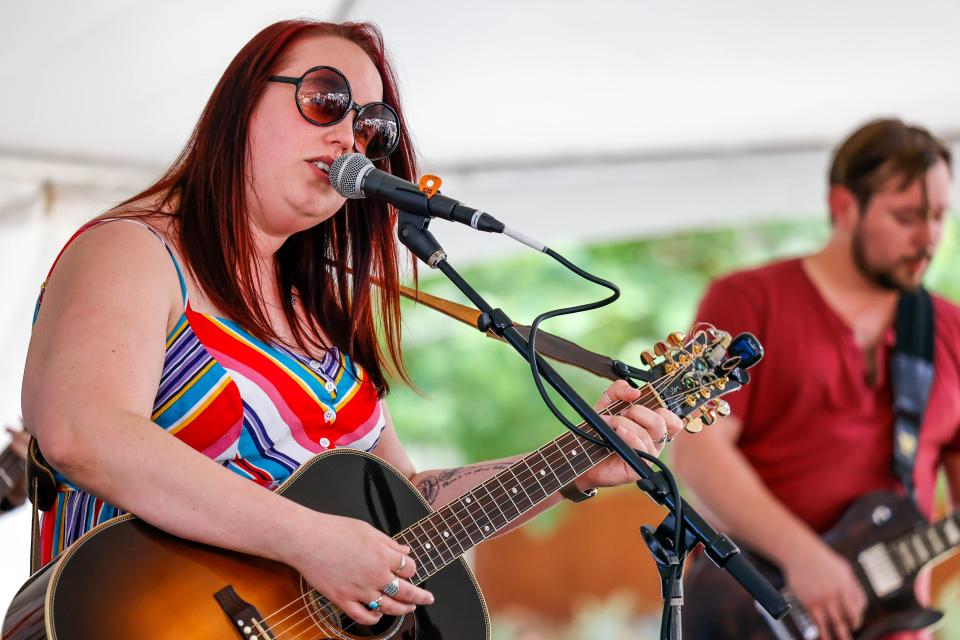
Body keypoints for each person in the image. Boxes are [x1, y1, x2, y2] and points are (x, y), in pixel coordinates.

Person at [20, 19, 681, 627]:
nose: (348, 139)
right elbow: (87, 433)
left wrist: (574, 463)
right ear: (241, 101)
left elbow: (407, 503)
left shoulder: (317, 312)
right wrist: (308, 540)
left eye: (372, 130)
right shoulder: (135, 249)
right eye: (325, 100)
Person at [672, 119, 959, 640]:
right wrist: (802, 556)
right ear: (845, 206)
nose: (930, 238)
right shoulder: (750, 300)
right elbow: (697, 451)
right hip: (757, 615)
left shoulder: (951, 332)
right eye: (908, 217)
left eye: (940, 216)